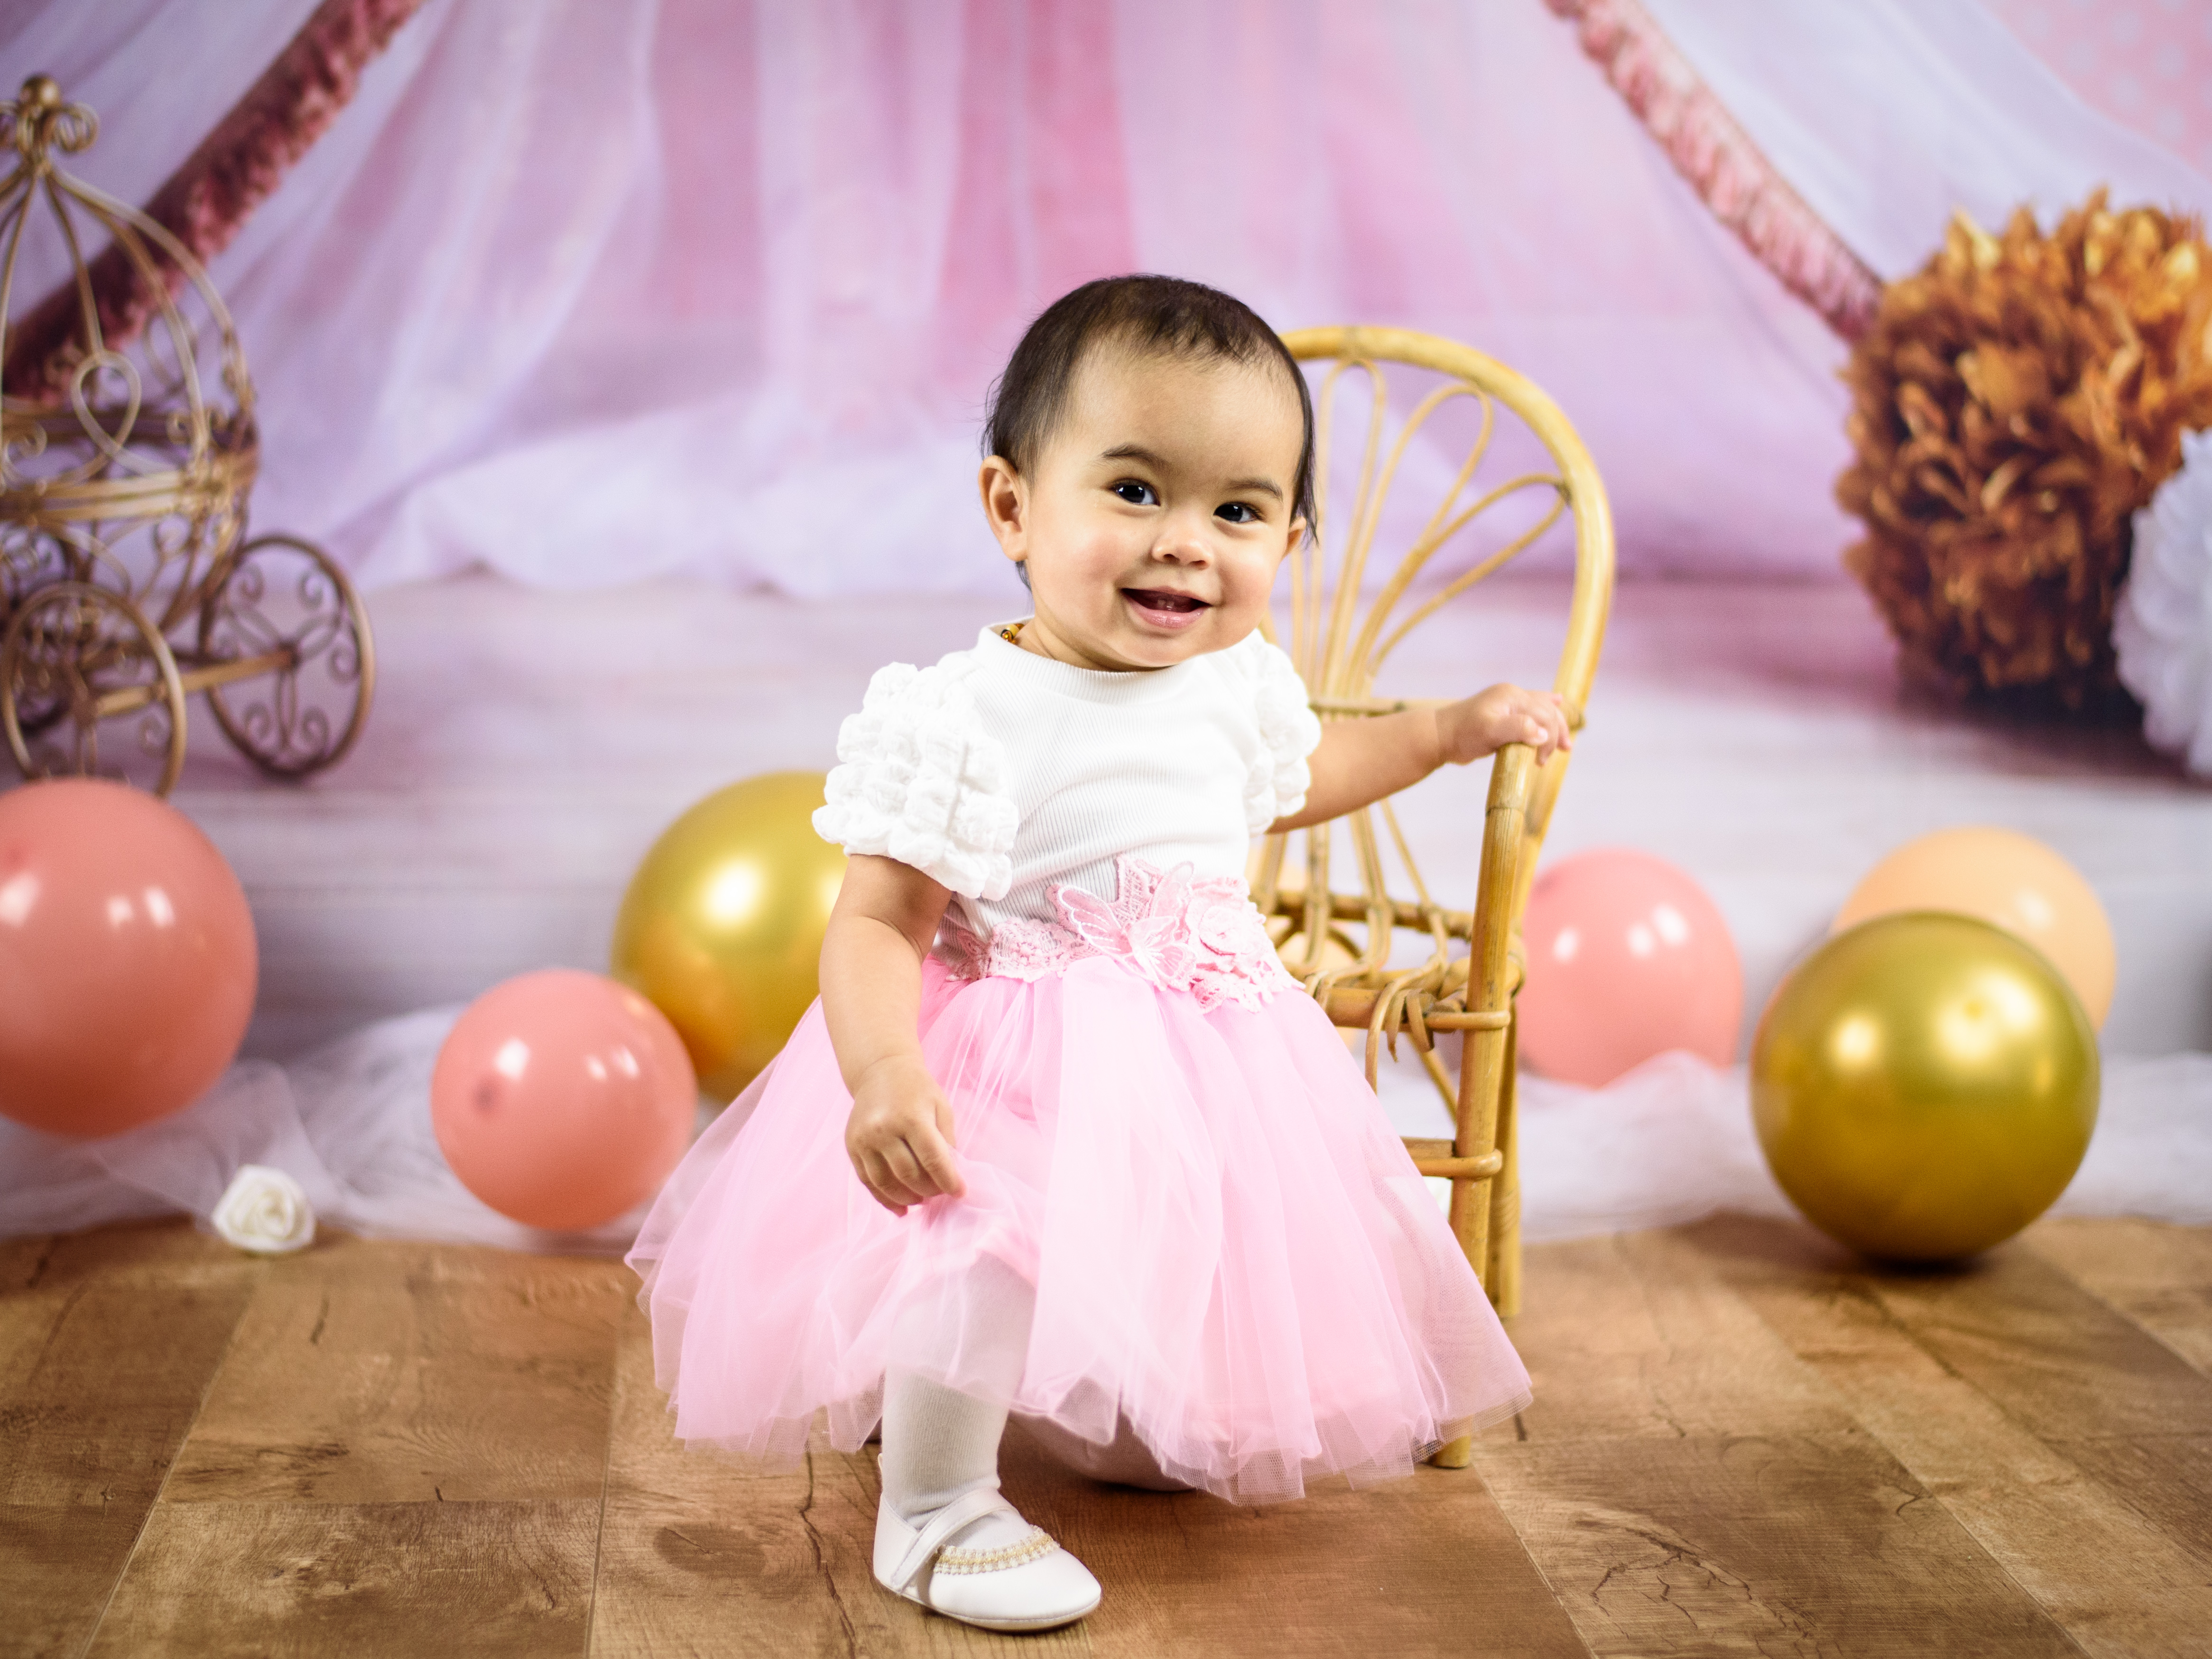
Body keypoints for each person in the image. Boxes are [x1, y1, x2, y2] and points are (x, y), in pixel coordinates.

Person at [628, 275, 1568, 1634]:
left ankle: (1110, 1408)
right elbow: (878, 920)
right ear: (1014, 507)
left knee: (1204, 1243)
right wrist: (884, 1067)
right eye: (1134, 491)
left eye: (1238, 512)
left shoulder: (1233, 686)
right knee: (986, 1230)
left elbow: (1302, 773)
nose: (1185, 544)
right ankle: (938, 1506)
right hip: (1018, 1035)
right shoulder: (965, 714)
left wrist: (1446, 728)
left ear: (1289, 539)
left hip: (1210, 1047)